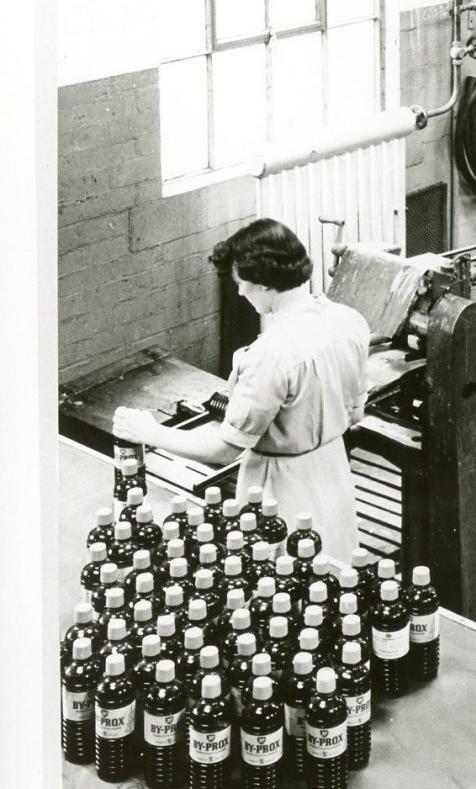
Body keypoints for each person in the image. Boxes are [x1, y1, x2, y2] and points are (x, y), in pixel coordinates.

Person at [113, 218, 370, 564]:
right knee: (335, 574)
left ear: (263, 284)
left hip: (283, 489)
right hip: (335, 474)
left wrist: (148, 432)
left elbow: (224, 449)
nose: (239, 292)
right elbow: (355, 414)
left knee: (283, 586)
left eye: (241, 283)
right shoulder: (350, 321)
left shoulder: (271, 354)